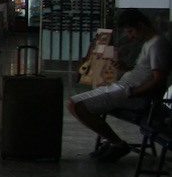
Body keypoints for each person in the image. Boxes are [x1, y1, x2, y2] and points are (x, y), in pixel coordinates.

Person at [66, 9, 170, 162]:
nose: (129, 35)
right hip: (124, 87)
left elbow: (158, 79)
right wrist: (127, 68)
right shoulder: (150, 43)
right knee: (72, 103)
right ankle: (113, 142)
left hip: (130, 93)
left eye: (130, 31)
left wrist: (134, 92)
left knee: (77, 105)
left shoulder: (157, 44)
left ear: (140, 25)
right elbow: (145, 73)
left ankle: (117, 144)